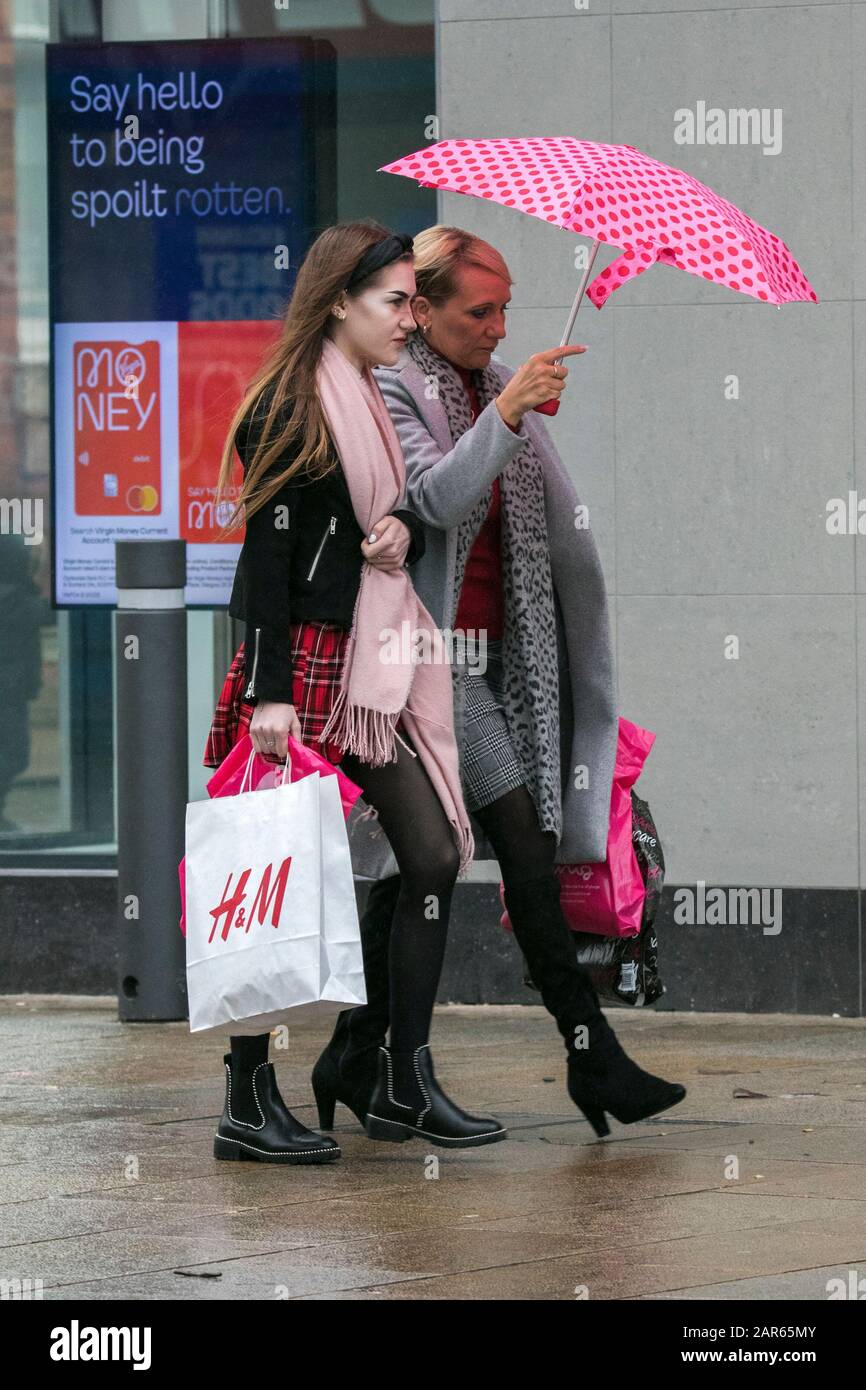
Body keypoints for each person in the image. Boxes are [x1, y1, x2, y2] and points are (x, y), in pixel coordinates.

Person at [312, 225, 686, 1140]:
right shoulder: (394, 387)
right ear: (425, 310)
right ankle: (587, 1050)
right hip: (423, 657)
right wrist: (509, 415)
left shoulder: (492, 384)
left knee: (420, 868)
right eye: (479, 310)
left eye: (507, 307)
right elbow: (437, 499)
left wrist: (509, 405)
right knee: (517, 833)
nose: (497, 325)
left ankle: (355, 1055)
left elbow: (555, 537)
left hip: (503, 663)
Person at [203, 220, 507, 1163]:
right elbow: (266, 561)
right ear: (339, 301)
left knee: (429, 852)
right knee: (267, 873)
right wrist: (268, 693)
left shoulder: (369, 401)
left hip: (367, 670)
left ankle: (398, 1078)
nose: (412, 320)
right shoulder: (292, 408)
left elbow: (381, 522)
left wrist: (398, 540)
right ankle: (247, 1098)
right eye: (396, 302)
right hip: (298, 674)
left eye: (418, 301)